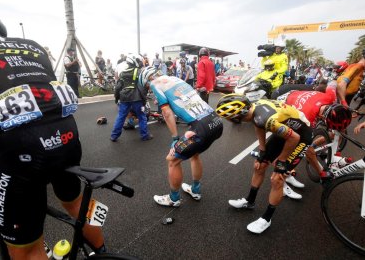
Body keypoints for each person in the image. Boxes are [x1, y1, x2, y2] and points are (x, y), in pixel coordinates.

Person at [0, 8, 105, 258]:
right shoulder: (31, 46)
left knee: (27, 247)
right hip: (66, 131)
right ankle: (102, 251)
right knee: (76, 203)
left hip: (24, 144)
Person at [216, 94, 313, 234]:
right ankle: (250, 201)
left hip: (301, 136)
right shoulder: (254, 111)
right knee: (259, 165)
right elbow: (258, 125)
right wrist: (262, 151)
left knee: (277, 179)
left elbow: (294, 138)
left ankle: (266, 219)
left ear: (238, 116)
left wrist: (282, 160)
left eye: (229, 118)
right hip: (286, 130)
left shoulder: (267, 119)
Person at [151, 74, 223, 207]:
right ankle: (195, 190)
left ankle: (174, 199)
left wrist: (175, 138)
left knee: (172, 160)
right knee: (194, 154)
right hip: (216, 121)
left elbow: (167, 113)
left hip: (201, 127)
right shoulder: (177, 80)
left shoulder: (155, 83)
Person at [276, 81, 352, 180]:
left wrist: (343, 102)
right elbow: (307, 149)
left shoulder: (331, 97)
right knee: (295, 141)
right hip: (283, 100)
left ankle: (315, 145)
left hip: (299, 94)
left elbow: (333, 82)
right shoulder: (306, 119)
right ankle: (284, 171)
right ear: (322, 118)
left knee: (334, 133)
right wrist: (321, 173)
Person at [111, 53, 153, 141]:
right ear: (134, 61)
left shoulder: (122, 73)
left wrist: (116, 98)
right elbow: (142, 87)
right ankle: (144, 136)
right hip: (137, 98)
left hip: (124, 98)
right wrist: (144, 99)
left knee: (121, 116)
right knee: (142, 116)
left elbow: (118, 87)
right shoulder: (139, 72)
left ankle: (114, 136)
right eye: (137, 60)